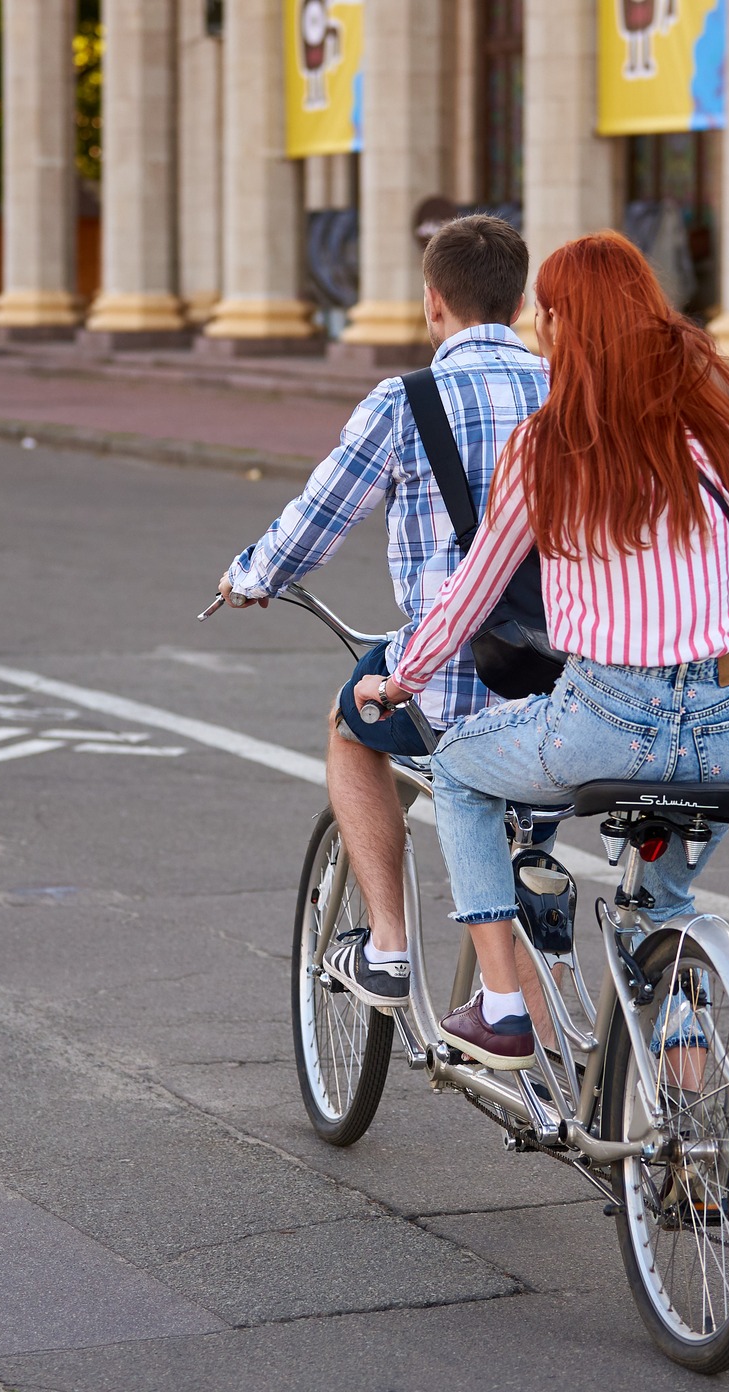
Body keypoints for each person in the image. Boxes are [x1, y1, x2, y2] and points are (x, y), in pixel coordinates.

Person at [355, 232, 729, 1069]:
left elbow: (474, 590)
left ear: (557, 322)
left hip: (605, 725)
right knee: (665, 914)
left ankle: (504, 1007)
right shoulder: (706, 446)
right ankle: (693, 1160)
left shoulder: (546, 448)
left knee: (459, 771)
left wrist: (402, 679)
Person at [213, 215, 548, 1009]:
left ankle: (389, 948)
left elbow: (318, 516)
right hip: (564, 673)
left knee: (348, 723)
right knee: (526, 866)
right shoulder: (569, 392)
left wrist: (252, 575)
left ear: (434, 303)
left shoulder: (406, 402)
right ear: (521, 299)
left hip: (449, 679)